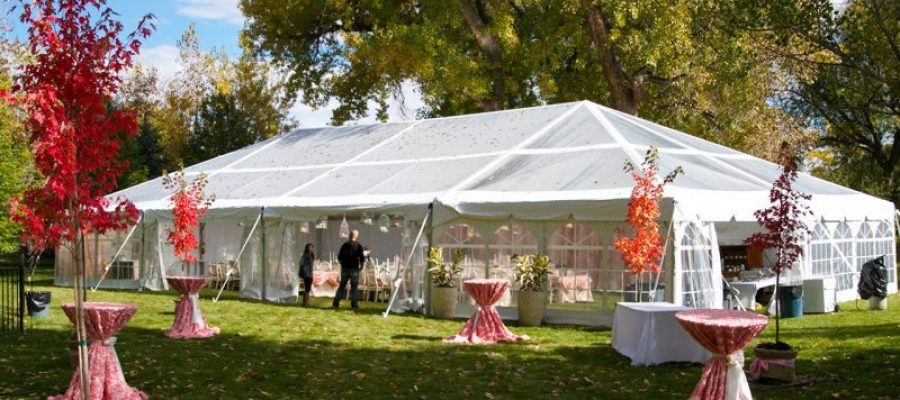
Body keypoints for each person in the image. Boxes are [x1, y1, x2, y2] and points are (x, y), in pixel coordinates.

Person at [332, 230, 366, 309]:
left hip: (345, 268)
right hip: (354, 268)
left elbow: (340, 258)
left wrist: (342, 264)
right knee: (354, 287)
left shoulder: (345, 245)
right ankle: (354, 305)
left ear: (349, 236)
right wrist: (361, 266)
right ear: (356, 236)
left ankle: (335, 303)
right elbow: (362, 258)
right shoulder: (358, 246)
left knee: (342, 286)